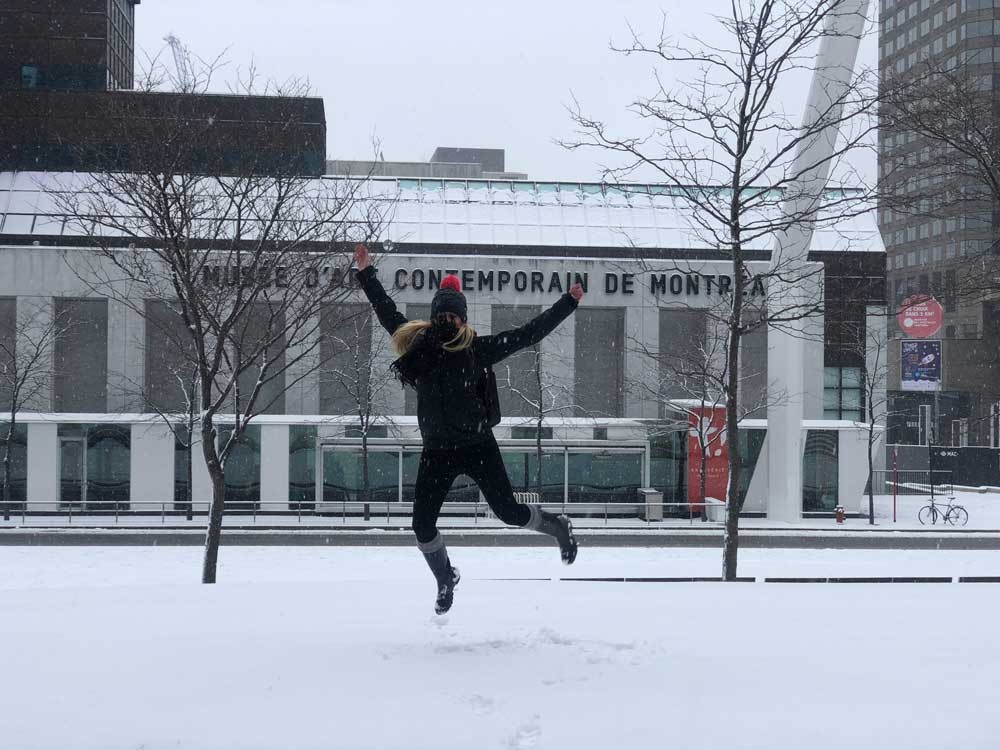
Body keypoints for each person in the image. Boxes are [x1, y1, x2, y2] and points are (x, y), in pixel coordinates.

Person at [353, 243, 583, 614]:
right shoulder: (417, 347)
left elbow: (528, 334)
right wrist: (366, 274)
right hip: (437, 451)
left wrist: (567, 303)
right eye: (441, 315)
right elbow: (387, 313)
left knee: (509, 513)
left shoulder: (478, 350)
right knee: (421, 526)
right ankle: (446, 578)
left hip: (478, 446)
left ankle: (557, 527)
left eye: (453, 316)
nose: (448, 321)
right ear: (433, 317)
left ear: (463, 319)